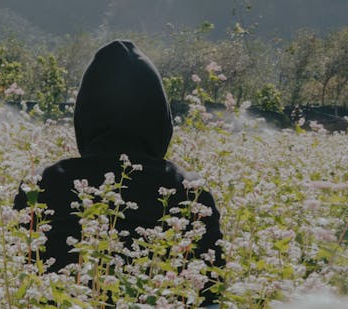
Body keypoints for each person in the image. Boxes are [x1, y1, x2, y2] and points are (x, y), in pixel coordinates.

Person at [14, 40, 224, 306]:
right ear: (160, 117)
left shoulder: (42, 183)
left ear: (85, 116)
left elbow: (17, 279)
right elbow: (209, 296)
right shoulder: (190, 190)